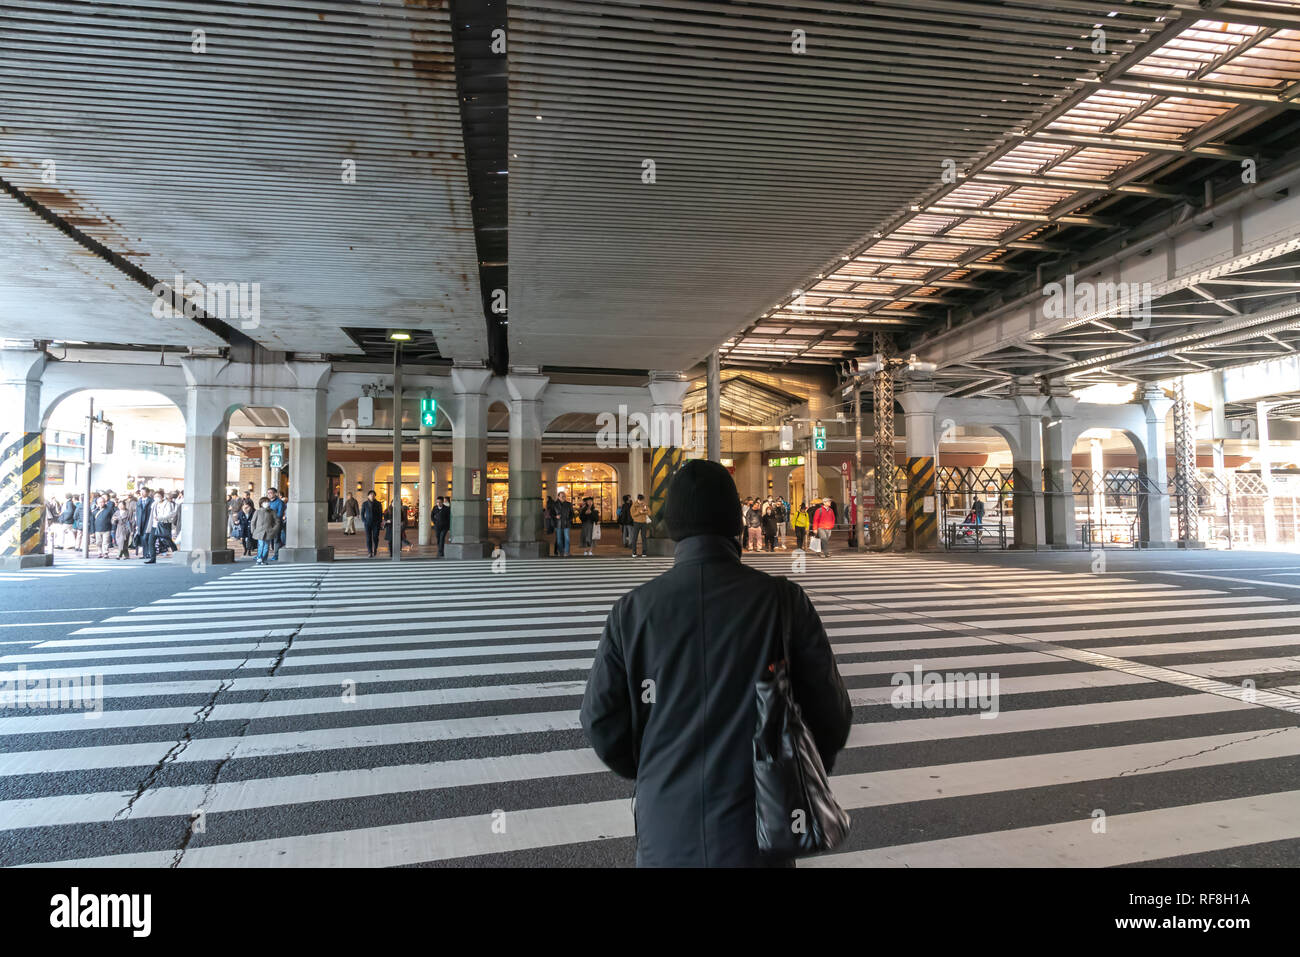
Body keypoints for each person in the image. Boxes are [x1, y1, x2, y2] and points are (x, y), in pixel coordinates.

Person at [580, 458, 852, 867]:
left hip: (665, 826)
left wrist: (656, 765)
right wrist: (788, 763)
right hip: (761, 824)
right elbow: (831, 714)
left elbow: (600, 721)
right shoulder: (783, 602)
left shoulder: (632, 612)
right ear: (735, 524)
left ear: (672, 528)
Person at [251, 496, 280, 565]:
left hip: (269, 532)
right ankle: (259, 558)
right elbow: (253, 522)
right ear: (261, 503)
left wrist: (274, 530)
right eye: (265, 502)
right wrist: (253, 531)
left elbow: (277, 521)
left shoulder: (272, 512)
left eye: (267, 502)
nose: (266, 503)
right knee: (261, 545)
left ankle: (264, 559)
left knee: (266, 547)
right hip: (259, 532)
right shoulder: (257, 512)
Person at [549, 491, 573, 557]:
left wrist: (569, 520)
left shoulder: (569, 504)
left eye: (564, 496)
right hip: (558, 524)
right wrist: (555, 516)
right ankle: (561, 552)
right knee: (559, 539)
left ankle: (567, 552)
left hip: (566, 524)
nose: (564, 497)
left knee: (567, 538)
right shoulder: (554, 504)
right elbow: (551, 514)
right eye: (562, 496)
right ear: (558, 497)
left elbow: (572, 514)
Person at [361, 490, 383, 558]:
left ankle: (375, 548)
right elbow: (362, 513)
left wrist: (379, 522)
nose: (372, 496)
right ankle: (370, 552)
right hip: (368, 523)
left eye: (373, 495)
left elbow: (380, 514)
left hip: (376, 523)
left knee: (375, 537)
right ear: (368, 496)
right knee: (368, 538)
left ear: (375, 496)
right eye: (371, 495)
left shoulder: (378, 503)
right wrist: (364, 520)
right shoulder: (365, 504)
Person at [265, 488, 286, 561]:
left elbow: (280, 514)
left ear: (275, 494)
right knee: (269, 539)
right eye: (268, 493)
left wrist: (272, 519)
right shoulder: (267, 502)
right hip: (268, 523)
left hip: (276, 523)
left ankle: (276, 555)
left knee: (276, 539)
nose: (269, 494)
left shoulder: (279, 502)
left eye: (270, 493)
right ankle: (264, 554)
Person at [628, 493, 650, 557]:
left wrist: (645, 511)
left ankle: (644, 552)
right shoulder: (634, 505)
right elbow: (633, 515)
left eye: (642, 500)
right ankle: (634, 552)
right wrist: (639, 512)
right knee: (635, 537)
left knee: (644, 538)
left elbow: (649, 512)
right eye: (641, 500)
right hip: (636, 523)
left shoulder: (645, 504)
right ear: (638, 499)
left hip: (644, 523)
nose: (642, 502)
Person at [135, 489, 154, 561]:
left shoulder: (151, 501)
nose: (142, 493)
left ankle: (148, 553)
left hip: (148, 521)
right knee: (142, 538)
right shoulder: (139, 501)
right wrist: (136, 524)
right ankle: (145, 554)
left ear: (148, 492)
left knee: (146, 537)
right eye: (141, 492)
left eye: (144, 492)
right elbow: (137, 512)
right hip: (140, 522)